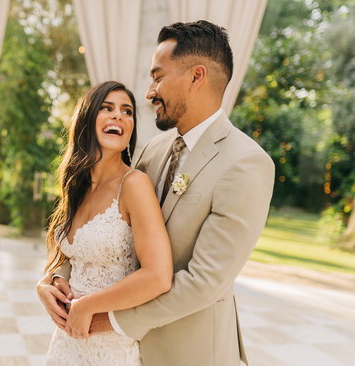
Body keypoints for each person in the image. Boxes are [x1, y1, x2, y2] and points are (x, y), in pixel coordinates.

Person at [37, 20, 275, 366]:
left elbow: (204, 281)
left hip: (188, 351)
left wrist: (108, 319)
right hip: (122, 350)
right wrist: (54, 280)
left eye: (158, 77)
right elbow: (108, 232)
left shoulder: (247, 163)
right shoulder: (154, 149)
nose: (149, 92)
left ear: (196, 76)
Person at [41, 81, 174, 365]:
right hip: (66, 342)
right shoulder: (77, 186)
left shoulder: (134, 184)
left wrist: (88, 305)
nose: (118, 116)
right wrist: (47, 283)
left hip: (111, 344)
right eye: (107, 108)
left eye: (127, 111)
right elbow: (70, 257)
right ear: (88, 119)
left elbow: (158, 276)